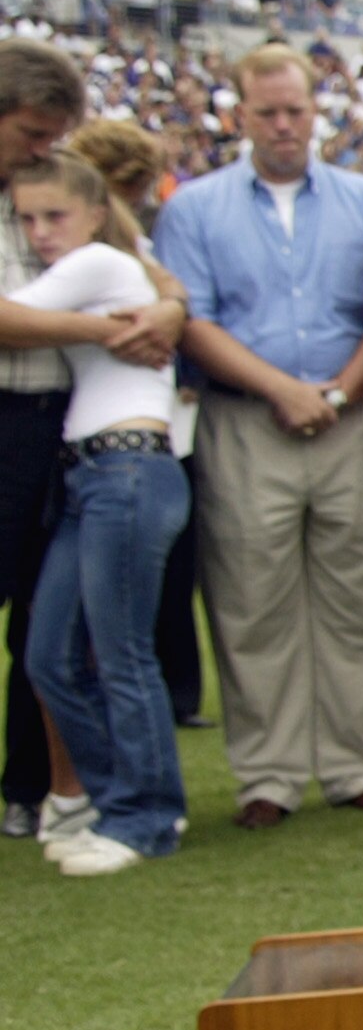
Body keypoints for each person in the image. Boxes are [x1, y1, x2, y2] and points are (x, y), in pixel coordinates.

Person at [156, 43, 363, 828]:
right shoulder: (195, 209)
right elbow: (192, 321)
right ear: (240, 115)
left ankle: (354, 764)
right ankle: (267, 774)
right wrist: (282, 390)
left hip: (351, 414)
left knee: (359, 596)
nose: (285, 124)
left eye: (296, 109)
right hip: (244, 418)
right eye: (268, 112)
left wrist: (336, 390)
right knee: (250, 598)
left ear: (315, 108)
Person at [0, 42, 186, 843]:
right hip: (50, 435)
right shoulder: (61, 208)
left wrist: (167, 309)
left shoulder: (70, 199)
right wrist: (115, 327)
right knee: (54, 640)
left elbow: (148, 272)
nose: (44, 148)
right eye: (32, 132)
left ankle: (79, 798)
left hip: (81, 441)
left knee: (71, 634)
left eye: (51, 135)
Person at [65, 118, 206, 730]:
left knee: (151, 595)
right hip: (105, 439)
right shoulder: (89, 252)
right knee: (101, 627)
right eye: (133, 188)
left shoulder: (130, 252)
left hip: (142, 432)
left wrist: (172, 305)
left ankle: (173, 700)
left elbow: (172, 292)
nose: (142, 203)